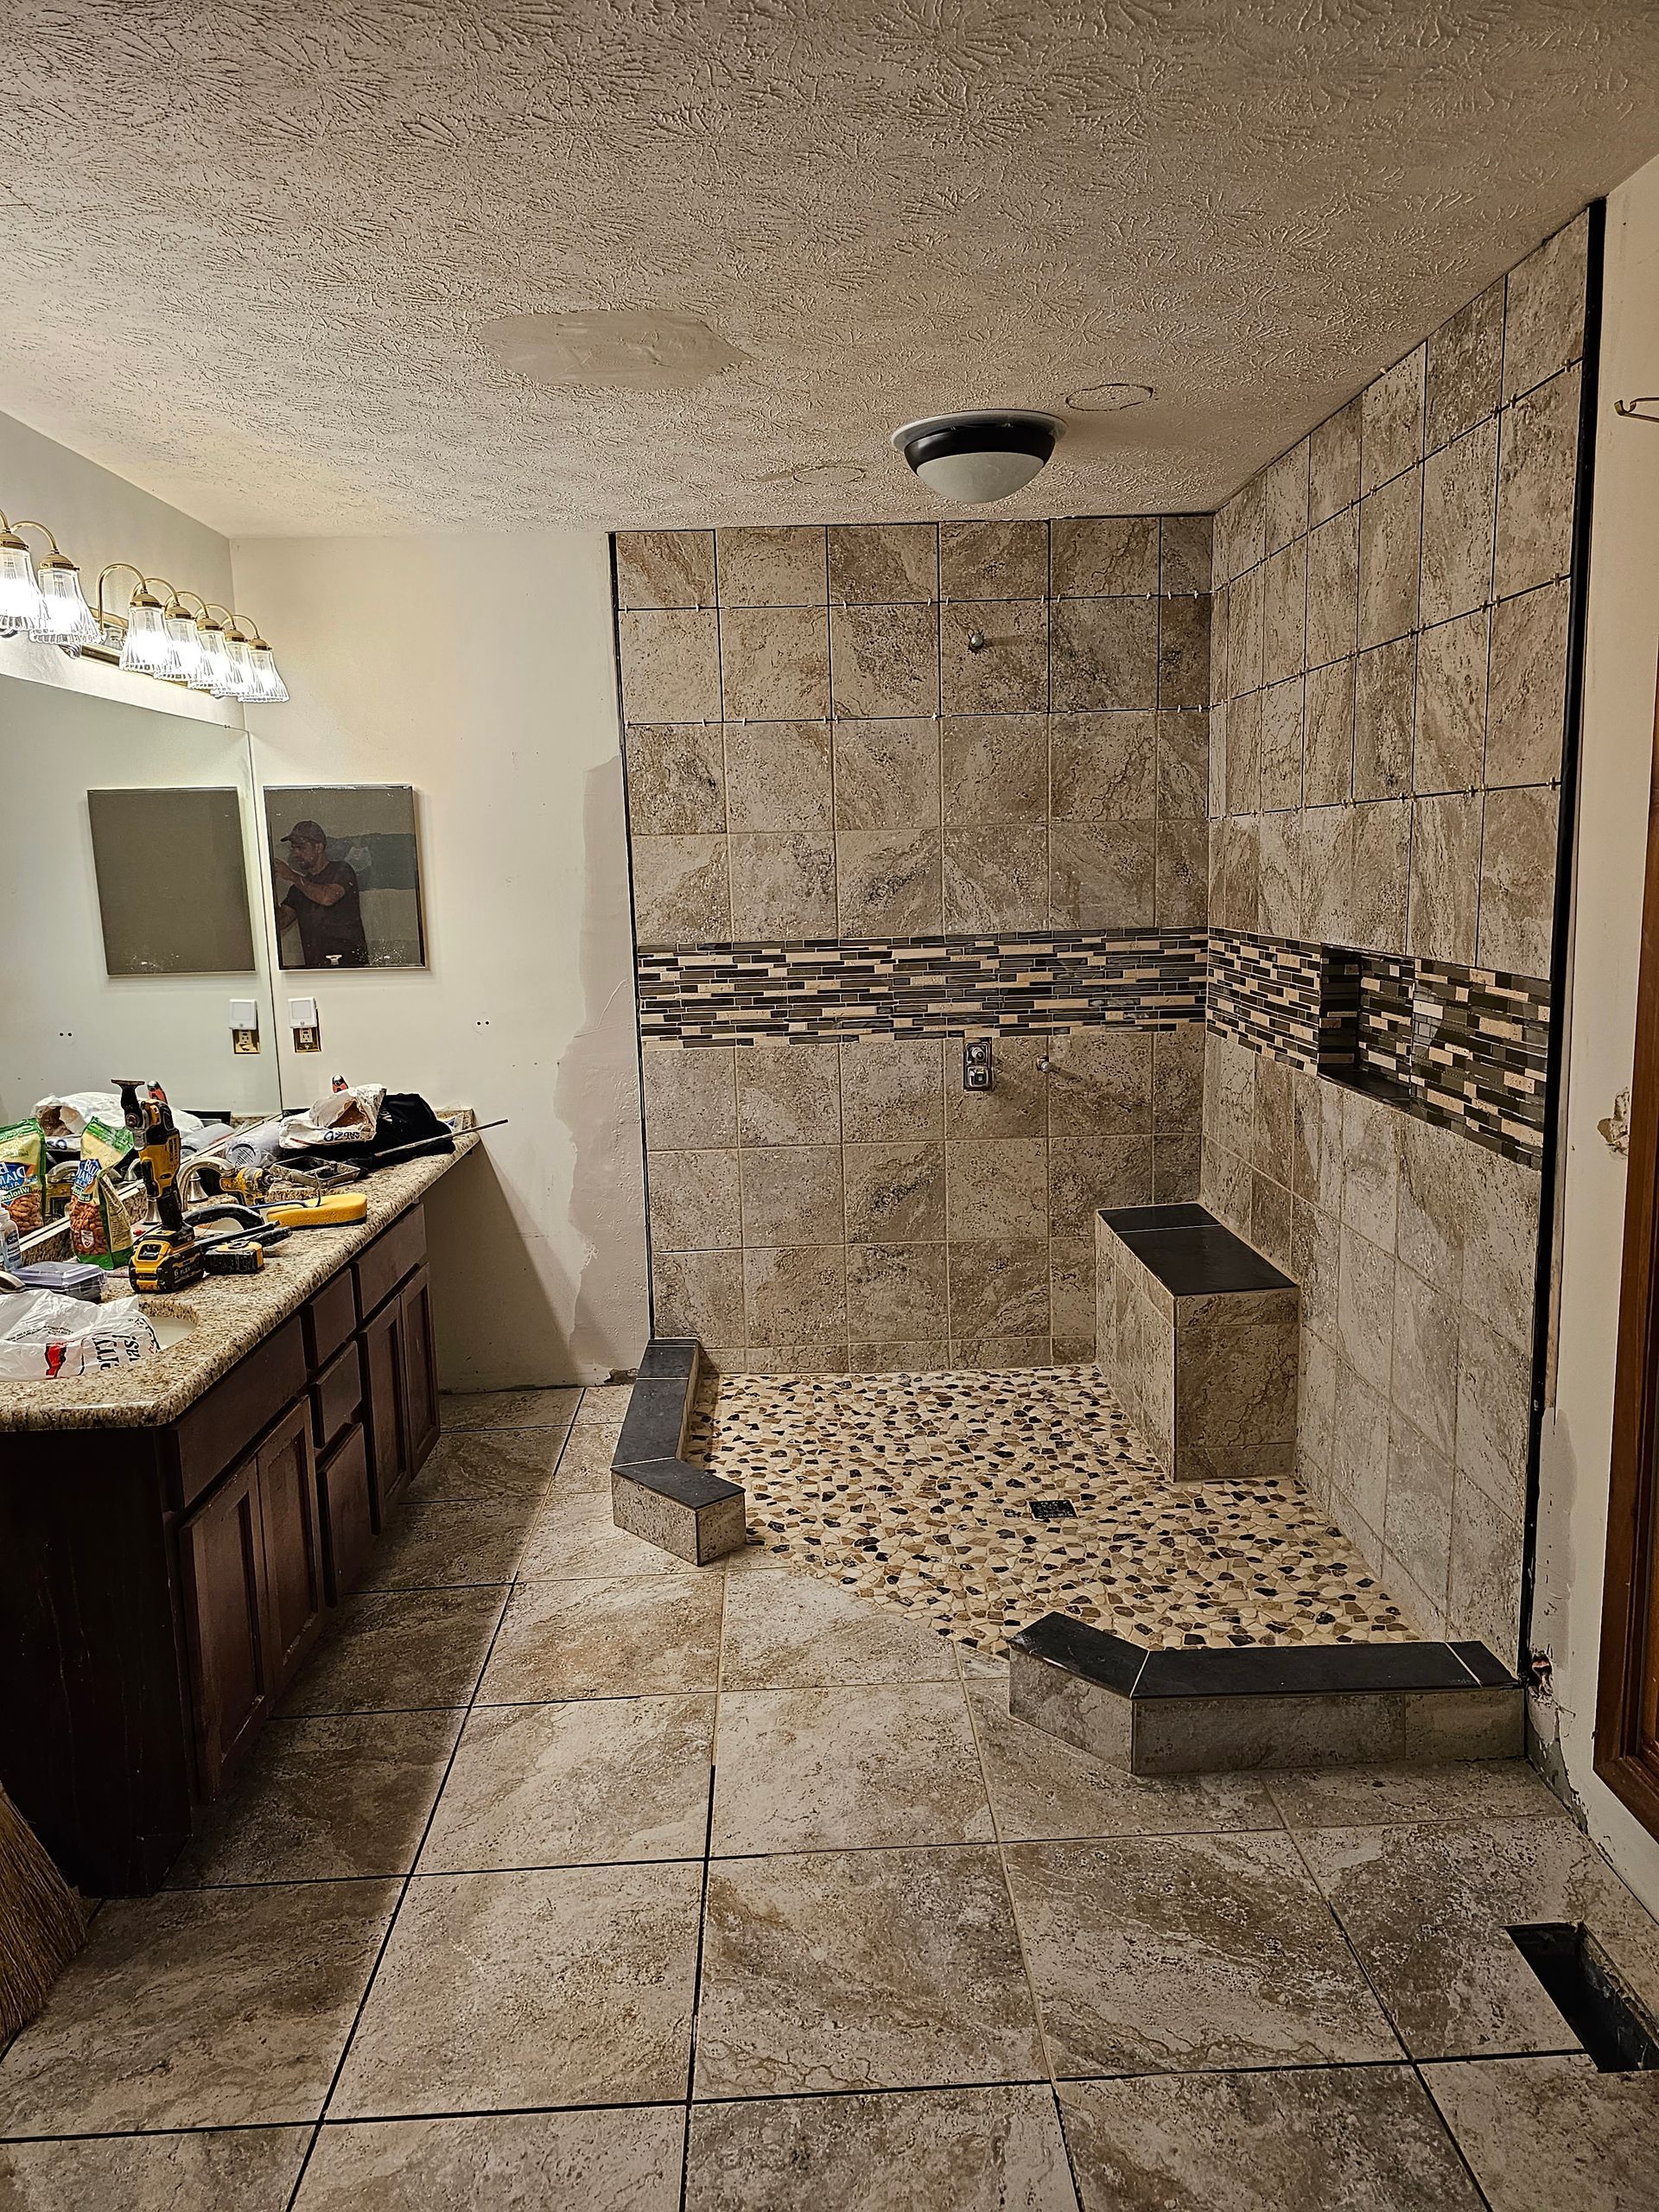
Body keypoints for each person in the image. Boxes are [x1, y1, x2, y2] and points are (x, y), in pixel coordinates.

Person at [273, 818, 370, 967]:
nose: (296, 853)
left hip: (350, 968)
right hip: (317, 970)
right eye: (293, 848)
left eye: (301, 847)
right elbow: (281, 922)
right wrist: (268, 887)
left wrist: (291, 876)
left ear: (319, 847)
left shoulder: (341, 870)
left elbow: (328, 897)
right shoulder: (298, 889)